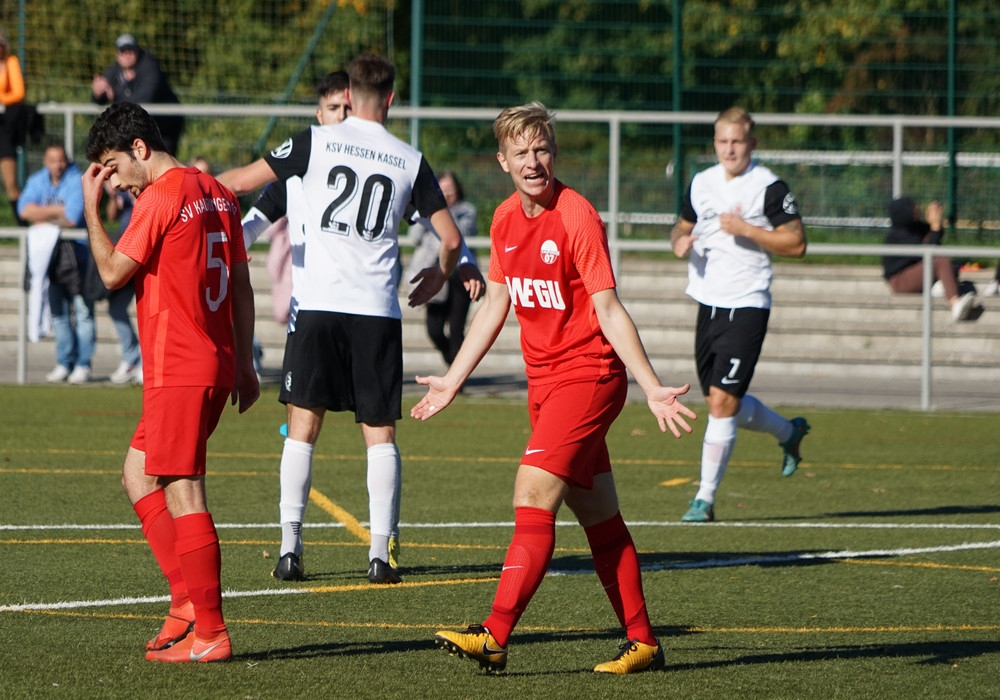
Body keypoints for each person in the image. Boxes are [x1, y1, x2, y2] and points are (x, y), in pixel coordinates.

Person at [413, 102, 697, 675]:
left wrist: (650, 386)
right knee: (598, 515)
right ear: (503, 161)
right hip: (544, 385)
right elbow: (496, 304)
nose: (533, 161)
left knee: (533, 491)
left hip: (589, 375)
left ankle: (494, 634)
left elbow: (609, 310)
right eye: (521, 152)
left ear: (554, 152)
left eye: (541, 149)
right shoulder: (502, 219)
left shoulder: (577, 216)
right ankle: (643, 641)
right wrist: (452, 379)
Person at [217, 54, 463, 585]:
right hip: (375, 313)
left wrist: (176, 184)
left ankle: (290, 550)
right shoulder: (409, 159)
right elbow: (450, 239)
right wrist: (440, 275)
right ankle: (380, 556)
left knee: (302, 429)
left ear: (347, 96)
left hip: (317, 307)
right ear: (391, 99)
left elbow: (239, 181)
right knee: (380, 433)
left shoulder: (314, 141)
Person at [81, 101, 258, 663]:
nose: (114, 183)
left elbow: (112, 272)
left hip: (179, 364)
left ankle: (211, 632)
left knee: (183, 488)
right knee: (138, 474)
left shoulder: (161, 195)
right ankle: (185, 601)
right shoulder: (220, 192)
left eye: (113, 167)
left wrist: (89, 210)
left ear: (139, 148)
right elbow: (242, 285)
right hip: (213, 360)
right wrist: (246, 364)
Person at [669, 107, 810, 524]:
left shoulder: (768, 186)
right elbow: (681, 226)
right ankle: (788, 432)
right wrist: (678, 242)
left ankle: (704, 499)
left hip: (748, 302)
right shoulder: (701, 182)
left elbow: (797, 243)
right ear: (714, 143)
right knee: (720, 400)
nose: (729, 149)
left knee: (723, 402)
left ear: (752, 143)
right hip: (707, 302)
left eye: (737, 142)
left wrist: (747, 228)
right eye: (723, 141)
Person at [19, 140, 95, 384]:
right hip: (50, 257)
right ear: (46, 161)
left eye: (61, 160)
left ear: (67, 160)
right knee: (59, 313)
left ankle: (83, 364)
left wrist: (41, 214)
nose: (58, 165)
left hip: (79, 256)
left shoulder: (76, 179)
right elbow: (24, 210)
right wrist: (57, 210)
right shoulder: (38, 180)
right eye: (53, 161)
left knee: (83, 312)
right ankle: (64, 362)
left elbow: (72, 217)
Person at [406, 171, 481, 365]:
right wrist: (429, 211)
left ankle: (458, 372)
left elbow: (457, 236)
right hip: (433, 272)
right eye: (443, 189)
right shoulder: (426, 210)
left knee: (456, 328)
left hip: (459, 275)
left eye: (450, 189)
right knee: (434, 329)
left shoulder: (467, 210)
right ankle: (454, 364)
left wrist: (441, 214)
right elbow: (414, 236)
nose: (447, 193)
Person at [882, 196, 978, 321]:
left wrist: (935, 222)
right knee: (940, 260)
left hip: (915, 273)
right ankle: (955, 304)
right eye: (913, 208)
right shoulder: (898, 235)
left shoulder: (915, 228)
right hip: (900, 280)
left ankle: (937, 288)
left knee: (957, 275)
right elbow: (929, 252)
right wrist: (935, 226)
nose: (917, 209)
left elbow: (933, 240)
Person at [92, 34, 184, 155]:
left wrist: (115, 96)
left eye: (130, 50)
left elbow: (145, 98)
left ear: (137, 51)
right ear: (117, 54)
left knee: (162, 158)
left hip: (164, 126)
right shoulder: (113, 71)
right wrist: (98, 94)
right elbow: (100, 98)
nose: (127, 54)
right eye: (123, 51)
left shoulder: (150, 67)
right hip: (139, 128)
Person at [102, 184, 142, 384]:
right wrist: (112, 196)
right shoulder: (122, 187)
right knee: (116, 308)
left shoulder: (150, 183)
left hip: (147, 253)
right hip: (126, 253)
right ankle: (132, 358)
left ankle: (146, 363)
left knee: (151, 308)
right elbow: (111, 217)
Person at [0, 29, 26, 219]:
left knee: (10, 183)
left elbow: (18, 93)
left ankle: (21, 223)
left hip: (4, 128)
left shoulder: (11, 63)